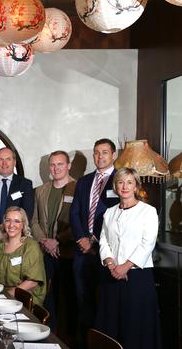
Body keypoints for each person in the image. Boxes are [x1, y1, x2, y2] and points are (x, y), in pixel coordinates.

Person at [96, 168, 161, 349]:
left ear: (136, 187)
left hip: (138, 276)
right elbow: (104, 242)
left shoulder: (148, 211)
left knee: (136, 324)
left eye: (129, 182)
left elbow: (147, 243)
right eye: (121, 182)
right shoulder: (109, 212)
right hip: (112, 275)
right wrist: (111, 264)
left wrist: (125, 266)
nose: (125, 186)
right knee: (111, 322)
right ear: (115, 186)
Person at [70, 138, 119, 346]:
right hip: (82, 251)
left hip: (106, 252)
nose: (100, 156)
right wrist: (82, 238)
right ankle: (83, 344)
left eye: (105, 152)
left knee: (105, 303)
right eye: (97, 152)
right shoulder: (84, 181)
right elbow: (75, 212)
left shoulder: (122, 179)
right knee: (83, 301)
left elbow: (118, 216)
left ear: (114, 155)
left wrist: (95, 240)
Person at [30, 150, 77, 330]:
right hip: (44, 252)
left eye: (60, 164)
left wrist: (57, 241)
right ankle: (48, 332)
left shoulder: (78, 187)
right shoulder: (41, 190)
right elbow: (33, 220)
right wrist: (44, 241)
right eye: (52, 164)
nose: (55, 168)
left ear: (68, 166)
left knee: (66, 298)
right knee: (46, 297)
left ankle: (65, 337)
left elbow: (79, 221)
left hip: (66, 252)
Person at [0, 147, 34, 255]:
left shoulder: (25, 184)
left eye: (8, 159)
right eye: (0, 159)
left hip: (15, 241)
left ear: (14, 162)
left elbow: (27, 213)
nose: (4, 163)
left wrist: (3, 229)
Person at [0, 206, 46, 305]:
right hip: (1, 294)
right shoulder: (0, 244)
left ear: (23, 224)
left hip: (24, 297)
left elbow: (32, 282)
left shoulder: (31, 246)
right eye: (8, 220)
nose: (11, 225)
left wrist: (7, 295)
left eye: (17, 221)